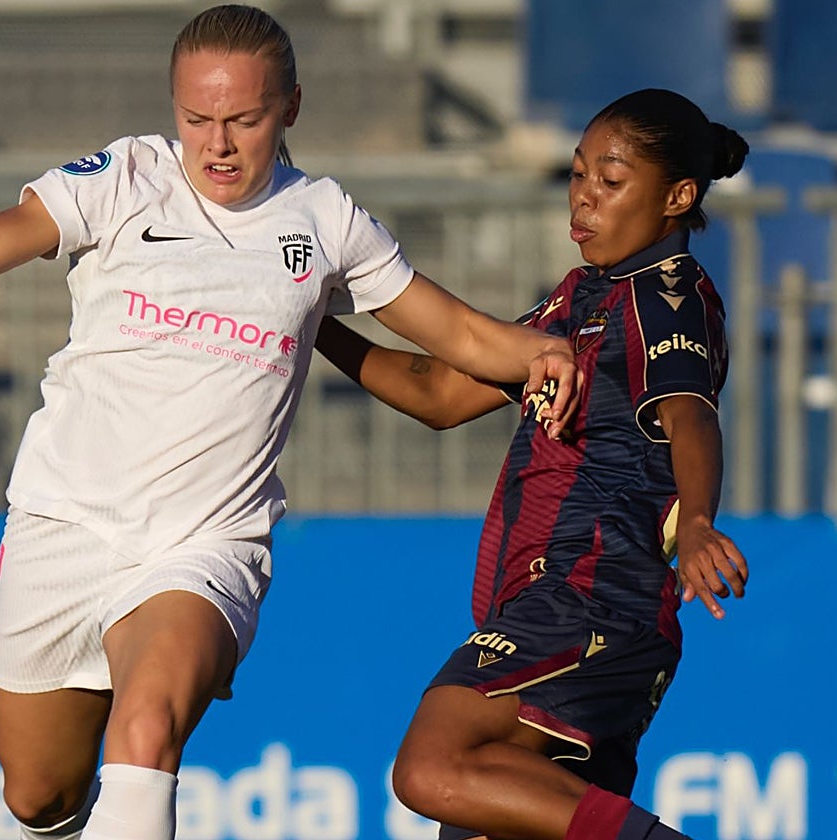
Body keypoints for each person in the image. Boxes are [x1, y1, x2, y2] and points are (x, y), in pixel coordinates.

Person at [0, 5, 579, 840]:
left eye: (243, 119)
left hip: (205, 543)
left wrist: (537, 349)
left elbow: (453, 332)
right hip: (65, 523)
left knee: (146, 733)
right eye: (196, 118)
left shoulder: (324, 220)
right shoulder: (123, 177)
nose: (217, 143)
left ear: (291, 108)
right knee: (40, 796)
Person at [313, 88, 750, 840]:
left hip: (590, 597)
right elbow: (439, 393)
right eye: (577, 176)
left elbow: (689, 414)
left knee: (433, 766)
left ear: (678, 195)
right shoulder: (580, 298)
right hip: (552, 606)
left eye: (609, 183)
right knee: (478, 815)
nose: (583, 199)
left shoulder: (667, 296)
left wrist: (702, 517)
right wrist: (308, 320)